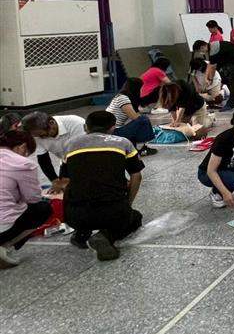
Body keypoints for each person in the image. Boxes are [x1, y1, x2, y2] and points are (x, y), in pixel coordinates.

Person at [60, 111, 145, 261]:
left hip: (75, 215)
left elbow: (65, 181)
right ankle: (105, 236)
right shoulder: (123, 143)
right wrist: (127, 204)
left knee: (81, 201)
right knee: (135, 218)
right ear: (112, 128)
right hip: (112, 211)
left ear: (86, 127)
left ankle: (81, 233)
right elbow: (136, 176)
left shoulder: (69, 145)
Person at [0, 129, 53, 268]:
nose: (25, 156)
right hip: (3, 225)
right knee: (43, 208)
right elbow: (33, 198)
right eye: (26, 153)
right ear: (22, 146)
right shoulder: (22, 164)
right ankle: (4, 246)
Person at [20, 112, 86, 182]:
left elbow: (81, 154)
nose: (41, 138)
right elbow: (43, 159)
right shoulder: (36, 135)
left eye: (43, 135)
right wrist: (54, 180)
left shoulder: (76, 123)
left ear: (51, 123)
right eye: (37, 136)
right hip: (66, 161)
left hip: (87, 156)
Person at [192, 39, 234, 111]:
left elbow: (212, 67)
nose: (201, 52)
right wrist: (206, 78)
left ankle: (231, 103)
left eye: (200, 51)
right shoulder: (212, 47)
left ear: (202, 47)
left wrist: (210, 79)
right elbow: (210, 65)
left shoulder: (213, 50)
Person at [106, 78, 157, 156]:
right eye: (141, 88)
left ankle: (138, 147)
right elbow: (134, 117)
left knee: (140, 122)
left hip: (113, 130)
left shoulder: (121, 97)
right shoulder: (123, 99)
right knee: (143, 120)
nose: (142, 90)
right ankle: (141, 149)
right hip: (114, 132)